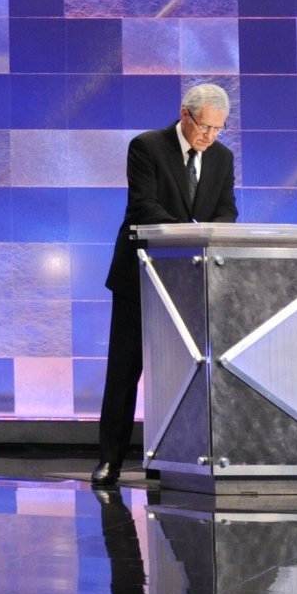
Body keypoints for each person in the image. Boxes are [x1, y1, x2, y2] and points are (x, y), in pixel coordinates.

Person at [91, 81, 236, 486]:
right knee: (124, 370)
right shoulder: (147, 147)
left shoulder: (222, 158)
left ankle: (171, 460)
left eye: (218, 129)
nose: (209, 137)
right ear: (185, 115)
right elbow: (144, 207)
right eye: (204, 127)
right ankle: (110, 461)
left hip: (189, 279)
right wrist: (192, 231)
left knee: (182, 371)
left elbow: (227, 212)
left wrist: (206, 233)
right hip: (141, 274)